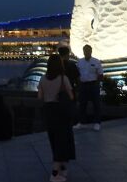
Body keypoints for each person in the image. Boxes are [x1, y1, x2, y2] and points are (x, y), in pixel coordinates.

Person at [38, 54, 75, 182]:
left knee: (54, 140)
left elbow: (40, 97)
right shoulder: (64, 79)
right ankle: (54, 173)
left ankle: (62, 169)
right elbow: (71, 97)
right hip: (61, 113)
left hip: (48, 112)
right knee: (63, 140)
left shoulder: (42, 79)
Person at [76, 44, 103, 131]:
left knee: (96, 104)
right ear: (83, 51)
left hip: (93, 85)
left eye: (88, 50)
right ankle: (81, 122)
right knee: (82, 104)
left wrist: (97, 84)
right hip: (83, 85)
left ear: (91, 51)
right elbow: (77, 74)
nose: (86, 52)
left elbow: (100, 74)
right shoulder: (80, 62)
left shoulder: (96, 61)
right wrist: (79, 83)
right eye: (84, 50)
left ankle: (97, 123)